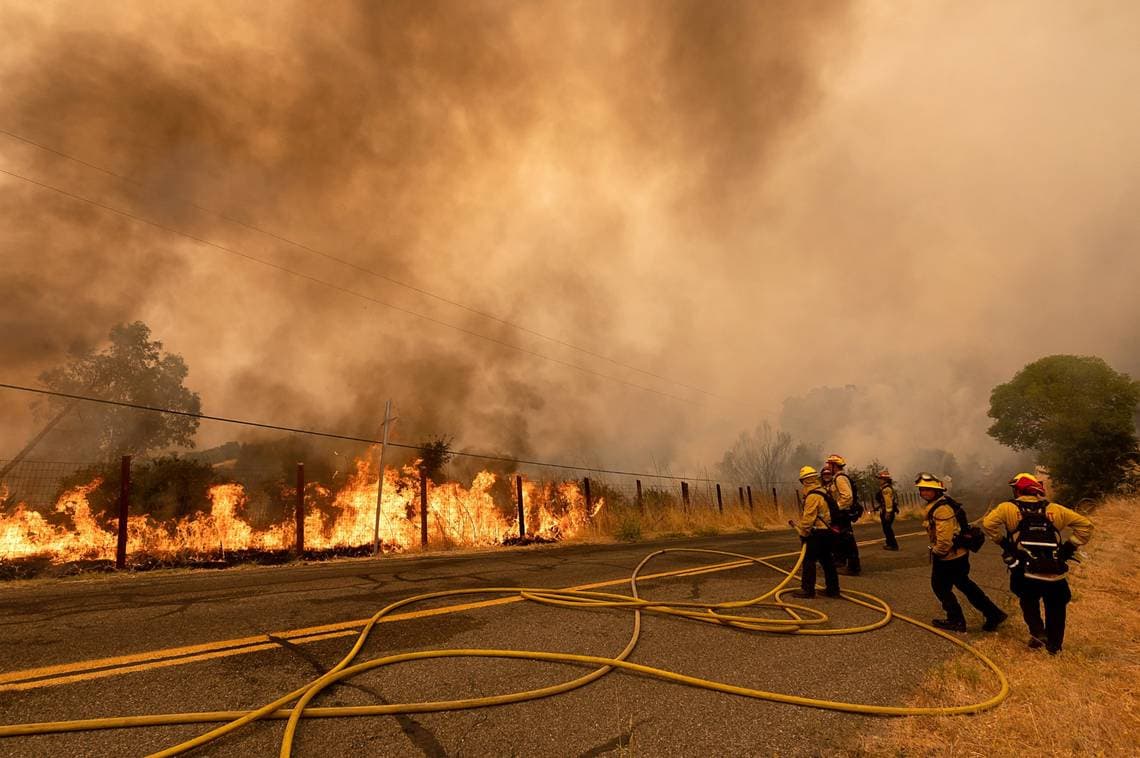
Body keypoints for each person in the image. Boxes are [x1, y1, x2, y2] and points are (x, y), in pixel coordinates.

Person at [981, 473, 1093, 654]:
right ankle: (1054, 646)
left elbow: (988, 524)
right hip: (1054, 568)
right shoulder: (1055, 509)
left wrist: (1004, 542)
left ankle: (1037, 633)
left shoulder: (1007, 508)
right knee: (1056, 605)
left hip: (1024, 568)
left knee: (1028, 600)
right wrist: (1068, 548)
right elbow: (1086, 526)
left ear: (1018, 489)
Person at [917, 472, 1007, 632]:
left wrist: (937, 552)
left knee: (940, 587)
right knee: (965, 585)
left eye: (928, 490)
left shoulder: (941, 509)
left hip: (949, 557)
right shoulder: (942, 504)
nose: (924, 492)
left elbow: (944, 540)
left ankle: (956, 620)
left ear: (937, 491)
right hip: (958, 554)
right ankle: (993, 614)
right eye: (922, 489)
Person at [790, 466, 841, 599]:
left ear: (805, 481)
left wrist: (804, 534)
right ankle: (833, 590)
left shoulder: (812, 496)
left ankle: (807, 590)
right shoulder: (823, 491)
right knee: (827, 561)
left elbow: (808, 519)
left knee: (808, 560)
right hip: (827, 532)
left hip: (817, 533)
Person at [823, 454, 861, 575]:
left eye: (830, 464)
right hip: (841, 513)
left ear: (835, 465)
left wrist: (836, 508)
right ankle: (841, 562)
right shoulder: (837, 478)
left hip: (842, 514)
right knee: (840, 539)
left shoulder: (840, 478)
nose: (828, 467)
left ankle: (853, 568)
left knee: (847, 540)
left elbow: (847, 497)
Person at [874, 470, 900, 550]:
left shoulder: (886, 489)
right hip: (885, 510)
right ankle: (889, 543)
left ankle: (893, 545)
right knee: (886, 528)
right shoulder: (885, 488)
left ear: (885, 480)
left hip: (887, 511)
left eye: (881, 479)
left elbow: (888, 503)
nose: (879, 480)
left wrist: (888, 513)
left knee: (887, 529)